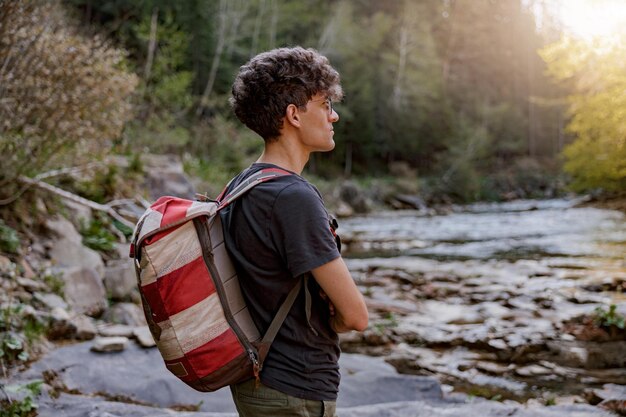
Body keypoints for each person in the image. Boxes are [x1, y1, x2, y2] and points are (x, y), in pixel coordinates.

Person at [220, 46, 369, 417]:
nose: (334, 116)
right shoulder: (292, 197)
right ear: (294, 115)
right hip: (295, 389)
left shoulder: (241, 185)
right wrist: (332, 317)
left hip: (256, 379)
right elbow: (355, 317)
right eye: (324, 105)